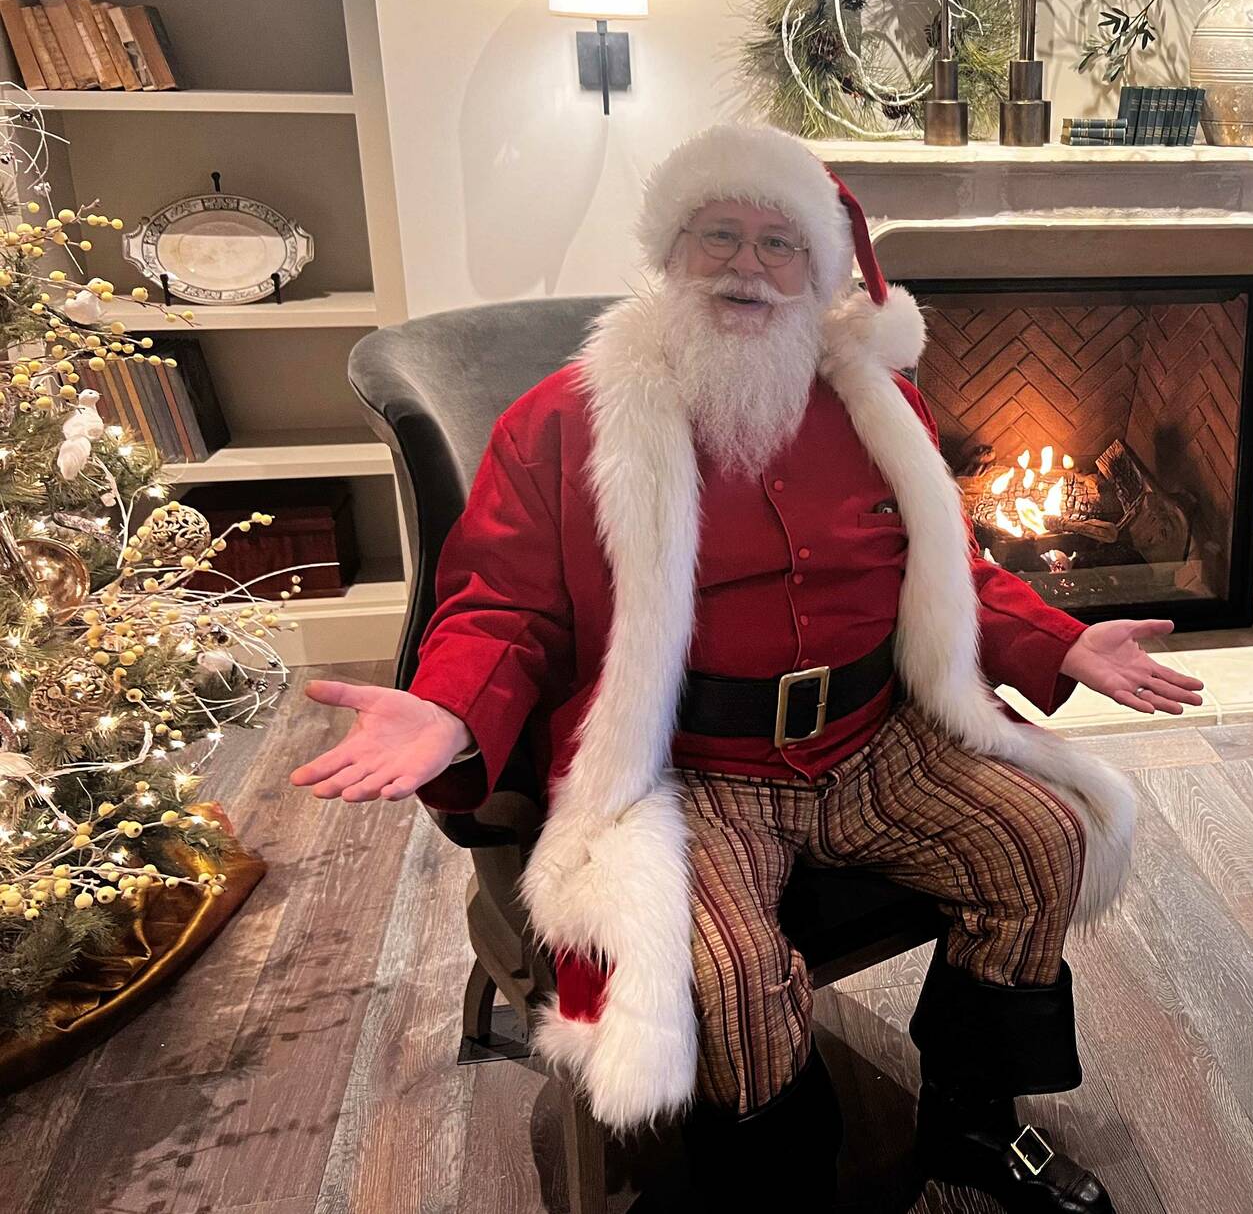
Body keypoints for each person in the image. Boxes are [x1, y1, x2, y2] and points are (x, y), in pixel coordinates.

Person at [289, 123, 1204, 1211]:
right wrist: (449, 711)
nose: (746, 267)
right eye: (718, 234)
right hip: (692, 769)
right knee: (731, 981)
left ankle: (968, 1125)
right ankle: (781, 1195)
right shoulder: (566, 425)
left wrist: (1057, 640)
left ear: (820, 279)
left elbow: (947, 573)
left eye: (780, 247)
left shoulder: (878, 406)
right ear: (669, 254)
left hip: (875, 740)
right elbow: (502, 606)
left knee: (1041, 839)